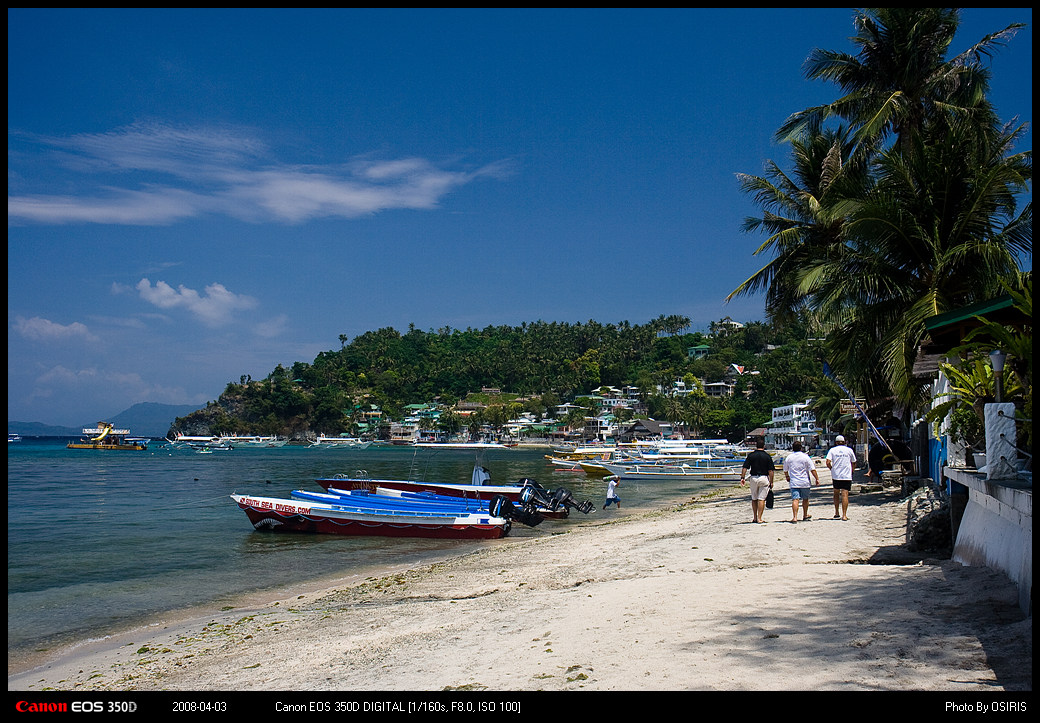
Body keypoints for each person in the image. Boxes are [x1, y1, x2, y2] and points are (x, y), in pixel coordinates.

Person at [783, 441, 820, 523]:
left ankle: (795, 517)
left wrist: (787, 476)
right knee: (805, 499)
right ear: (801, 448)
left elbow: (785, 469)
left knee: (795, 499)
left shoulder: (789, 457)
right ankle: (805, 514)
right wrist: (817, 479)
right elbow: (812, 469)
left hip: (794, 482)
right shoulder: (805, 457)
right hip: (804, 481)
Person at [740, 438, 775, 523]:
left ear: (756, 446)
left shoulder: (751, 455)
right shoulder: (767, 456)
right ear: (764, 446)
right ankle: (759, 518)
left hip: (754, 478)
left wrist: (742, 478)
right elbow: (771, 471)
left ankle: (755, 517)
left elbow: (745, 467)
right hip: (763, 477)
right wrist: (771, 481)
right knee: (761, 499)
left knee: (754, 498)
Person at [825, 435, 857, 520]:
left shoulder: (832, 450)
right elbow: (854, 462)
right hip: (846, 475)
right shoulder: (849, 450)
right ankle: (844, 515)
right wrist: (852, 471)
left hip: (836, 475)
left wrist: (832, 469)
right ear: (844, 442)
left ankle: (836, 512)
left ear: (836, 442)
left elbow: (827, 462)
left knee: (836, 493)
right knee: (845, 494)